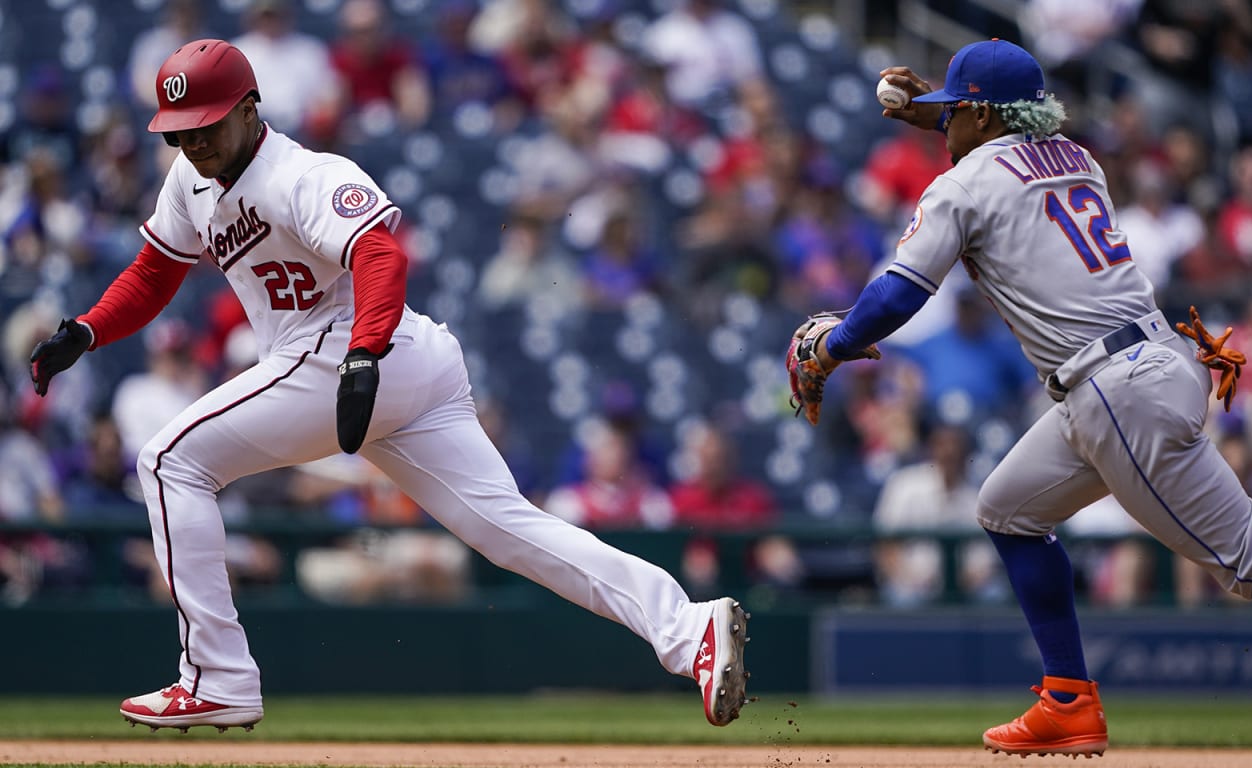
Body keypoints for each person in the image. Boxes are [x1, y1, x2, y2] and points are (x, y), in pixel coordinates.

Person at [788, 39, 1252, 758]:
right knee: (1007, 510)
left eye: (954, 111)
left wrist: (832, 344)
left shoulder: (964, 183)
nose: (944, 124)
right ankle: (1067, 699)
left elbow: (898, 294)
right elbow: (1006, 152)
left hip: (1112, 388)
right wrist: (941, 115)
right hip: (1138, 366)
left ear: (978, 112)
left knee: (1251, 562)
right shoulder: (1076, 157)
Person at [27, 39, 748, 732]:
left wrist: (363, 354)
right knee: (511, 532)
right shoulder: (191, 178)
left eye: (207, 125)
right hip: (381, 362)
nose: (194, 143)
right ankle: (689, 629)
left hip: (350, 348)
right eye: (178, 132)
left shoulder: (300, 173)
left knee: (166, 458)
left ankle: (216, 679)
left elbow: (379, 254)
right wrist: (90, 329)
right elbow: (155, 271)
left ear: (250, 108)